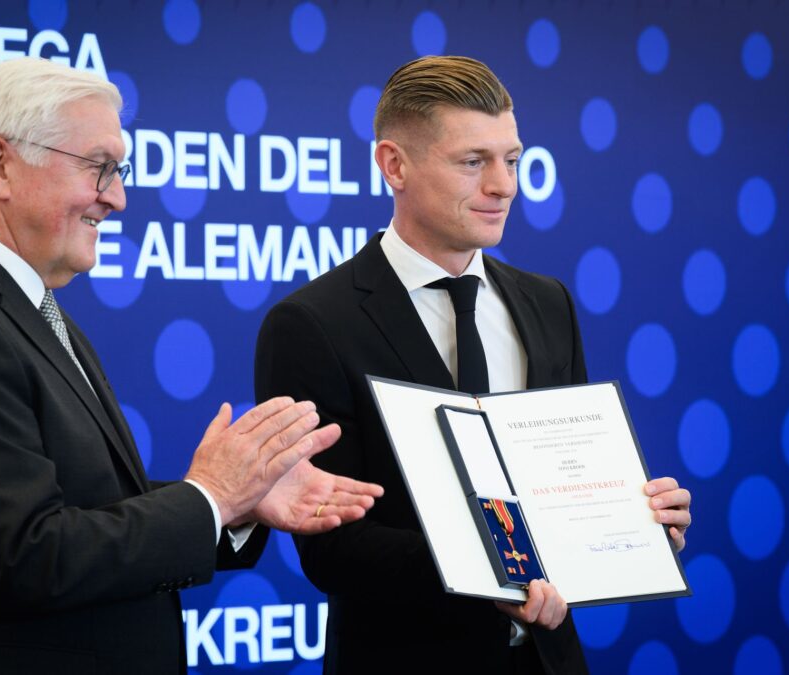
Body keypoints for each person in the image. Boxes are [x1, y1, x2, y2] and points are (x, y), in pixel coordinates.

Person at [0, 57, 382, 674]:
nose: (117, 198)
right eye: (99, 167)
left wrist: (239, 502)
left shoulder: (9, 303)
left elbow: (78, 512)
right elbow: (30, 557)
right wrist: (210, 498)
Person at [255, 55, 692, 674]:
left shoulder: (548, 303)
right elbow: (334, 547)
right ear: (393, 165)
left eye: (511, 159)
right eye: (473, 162)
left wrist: (635, 525)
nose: (504, 185)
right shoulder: (312, 324)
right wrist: (494, 575)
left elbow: (560, 484)